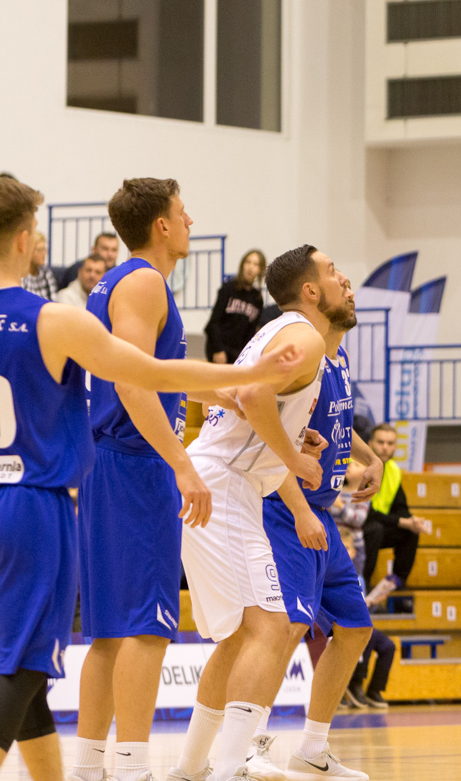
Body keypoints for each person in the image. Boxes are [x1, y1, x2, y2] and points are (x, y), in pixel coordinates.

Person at [0, 176, 299, 781]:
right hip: (36, 504)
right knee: (42, 668)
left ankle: (80, 772)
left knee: (29, 672)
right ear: (26, 237)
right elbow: (147, 374)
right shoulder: (51, 319)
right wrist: (251, 375)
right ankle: (106, 769)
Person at [166, 245, 343, 781]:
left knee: (242, 637)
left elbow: (225, 397)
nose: (342, 279)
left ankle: (190, 768)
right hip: (224, 485)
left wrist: (288, 437)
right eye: (332, 272)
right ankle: (227, 769)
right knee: (269, 628)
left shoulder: (271, 333)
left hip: (225, 481)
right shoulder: (306, 336)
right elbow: (250, 391)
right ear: (310, 290)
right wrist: (294, 459)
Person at [71, 179, 210, 781]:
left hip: (104, 461)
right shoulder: (145, 281)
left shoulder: (111, 283)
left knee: (109, 632)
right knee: (147, 628)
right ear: (160, 225)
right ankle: (130, 766)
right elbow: (133, 383)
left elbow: (148, 374)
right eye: (182, 212)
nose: (189, 221)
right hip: (135, 462)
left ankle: (89, 765)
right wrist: (181, 462)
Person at [242, 274, 385, 781]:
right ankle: (249, 743)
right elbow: (270, 437)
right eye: (338, 281)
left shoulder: (338, 358)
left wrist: (371, 459)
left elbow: (341, 430)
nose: (349, 288)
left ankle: (313, 746)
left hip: (320, 512)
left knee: (355, 627)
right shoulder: (304, 361)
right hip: (286, 508)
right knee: (288, 626)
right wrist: (300, 509)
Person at [360, 423, 432, 607]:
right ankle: (363, 587)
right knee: (375, 530)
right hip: (355, 525)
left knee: (410, 532)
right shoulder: (359, 467)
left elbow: (400, 507)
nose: (385, 447)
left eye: (390, 443)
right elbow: (367, 513)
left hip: (379, 525)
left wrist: (411, 521)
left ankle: (397, 589)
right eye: (381, 442)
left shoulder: (393, 470)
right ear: (369, 443)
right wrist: (402, 521)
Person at [206, 250, 268, 364]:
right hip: (219, 351)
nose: (250, 267)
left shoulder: (257, 299)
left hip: (238, 355)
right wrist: (218, 349)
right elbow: (213, 323)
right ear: (242, 265)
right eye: (248, 262)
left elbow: (251, 333)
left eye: (255, 264)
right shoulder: (228, 289)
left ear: (260, 270)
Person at [56, 231, 121, 291]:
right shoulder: (77, 269)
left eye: (114, 250)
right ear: (94, 249)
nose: (110, 254)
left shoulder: (119, 273)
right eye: (105, 249)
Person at [21, 233, 59, 300]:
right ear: (29, 251)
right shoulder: (21, 275)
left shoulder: (46, 272)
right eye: (40, 250)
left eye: (45, 249)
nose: (44, 254)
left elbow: (54, 300)